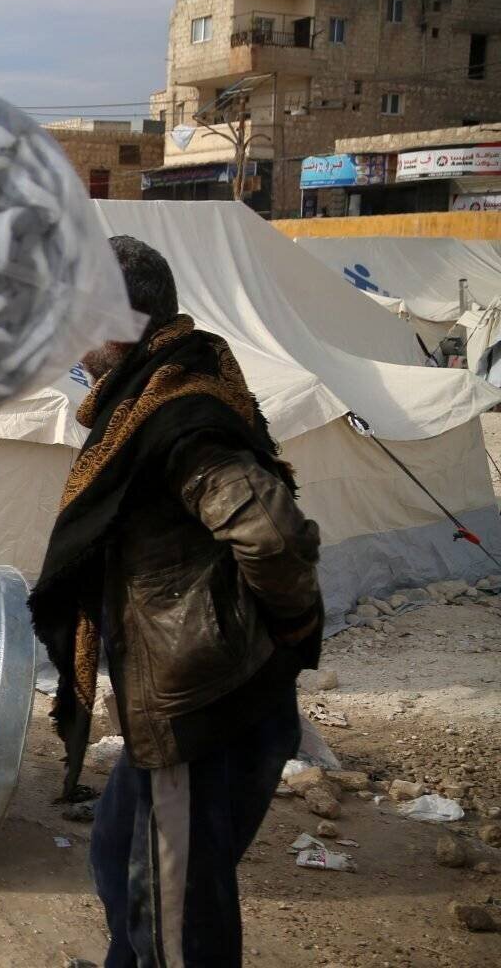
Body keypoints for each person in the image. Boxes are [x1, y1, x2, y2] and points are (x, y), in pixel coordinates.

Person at [30, 236, 322, 967]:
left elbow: (272, 537)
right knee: (113, 853)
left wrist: (293, 625)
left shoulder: (177, 419)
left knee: (176, 912)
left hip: (204, 706)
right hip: (185, 701)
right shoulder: (151, 398)